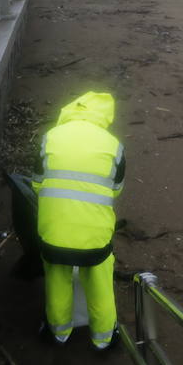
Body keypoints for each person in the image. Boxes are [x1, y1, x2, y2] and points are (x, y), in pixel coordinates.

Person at [32, 91, 125, 350]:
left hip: (54, 234)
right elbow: (116, 189)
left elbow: (37, 184)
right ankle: (104, 339)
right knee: (100, 283)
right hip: (94, 238)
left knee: (57, 280)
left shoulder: (49, 138)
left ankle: (59, 334)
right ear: (105, 116)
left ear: (69, 110)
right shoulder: (114, 145)